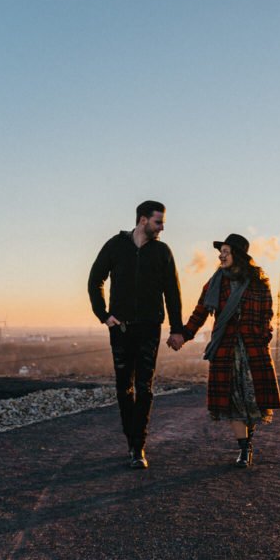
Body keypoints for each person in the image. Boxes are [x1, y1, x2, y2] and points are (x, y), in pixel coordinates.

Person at [167, 233, 280, 467]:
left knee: (251, 401)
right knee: (232, 402)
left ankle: (248, 441)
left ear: (238, 255)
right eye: (221, 252)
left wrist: (261, 338)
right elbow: (200, 313)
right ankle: (243, 449)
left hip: (252, 351)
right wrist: (183, 335)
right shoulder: (214, 283)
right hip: (225, 350)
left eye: (226, 252)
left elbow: (267, 316)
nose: (221, 256)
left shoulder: (259, 282)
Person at [88, 200, 184, 469]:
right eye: (158, 222)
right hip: (121, 328)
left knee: (145, 388)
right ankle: (131, 440)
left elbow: (172, 293)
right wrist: (103, 315)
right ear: (143, 220)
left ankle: (138, 446)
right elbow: (95, 280)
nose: (162, 227)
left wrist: (177, 329)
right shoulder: (115, 246)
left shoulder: (162, 251)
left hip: (149, 328)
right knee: (123, 387)